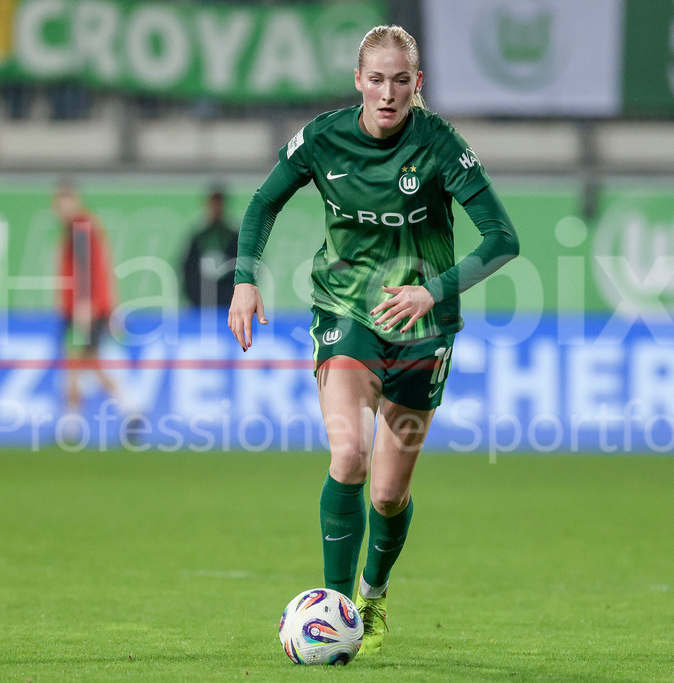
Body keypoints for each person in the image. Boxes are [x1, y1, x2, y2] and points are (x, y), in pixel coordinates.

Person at [228, 25, 519, 656]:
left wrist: (432, 291)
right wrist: (245, 277)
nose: (388, 93)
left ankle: (373, 597)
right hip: (346, 314)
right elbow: (262, 202)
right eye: (376, 79)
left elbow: (502, 238)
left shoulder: (440, 145)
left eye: (401, 80)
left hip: (424, 332)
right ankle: (336, 615)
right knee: (349, 455)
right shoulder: (324, 138)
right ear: (359, 81)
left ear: (419, 84)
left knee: (389, 494)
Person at [53, 180, 127, 439]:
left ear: (74, 201)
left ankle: (72, 425)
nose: (61, 207)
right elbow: (104, 265)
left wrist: (83, 305)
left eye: (65, 201)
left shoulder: (80, 227)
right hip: (91, 307)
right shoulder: (86, 226)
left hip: (83, 310)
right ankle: (129, 410)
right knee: (89, 362)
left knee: (75, 362)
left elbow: (84, 270)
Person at [181, 187, 239, 309]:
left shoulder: (234, 237)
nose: (215, 209)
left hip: (228, 305)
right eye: (213, 204)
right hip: (201, 304)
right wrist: (195, 297)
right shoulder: (198, 237)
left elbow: (244, 266)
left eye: (219, 204)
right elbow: (188, 269)